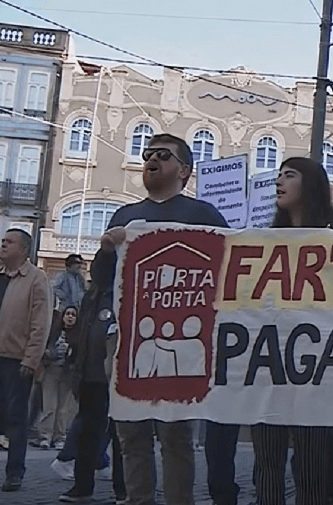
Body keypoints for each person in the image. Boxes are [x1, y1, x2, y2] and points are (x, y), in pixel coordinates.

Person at [98, 133, 229, 505]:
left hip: (186, 340)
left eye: (162, 155)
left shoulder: (203, 215)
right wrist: (108, 249)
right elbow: (102, 277)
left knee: (175, 434)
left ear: (184, 170)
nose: (151, 159)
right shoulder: (124, 216)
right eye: (147, 154)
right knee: (130, 431)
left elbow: (228, 266)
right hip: (126, 338)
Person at [248, 157, 333, 505]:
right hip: (268, 366)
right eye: (279, 175)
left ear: (311, 185)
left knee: (313, 467)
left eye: (290, 175)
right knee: (267, 464)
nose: (279, 181)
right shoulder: (260, 243)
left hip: (316, 370)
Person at [0, 228, 52, 491]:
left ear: (24, 249)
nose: (2, 245)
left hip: (14, 359)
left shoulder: (36, 279)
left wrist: (31, 358)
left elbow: (41, 322)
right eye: (2, 241)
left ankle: (14, 472)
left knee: (15, 418)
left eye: (8, 242)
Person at [60, 252, 126, 503]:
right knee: (87, 433)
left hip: (115, 378)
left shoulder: (122, 295)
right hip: (90, 376)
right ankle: (82, 486)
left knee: (121, 437)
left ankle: (123, 490)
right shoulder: (91, 297)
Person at [35, 305, 78, 449]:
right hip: (51, 369)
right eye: (68, 314)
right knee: (49, 405)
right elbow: (44, 346)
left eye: (73, 314)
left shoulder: (78, 336)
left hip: (67, 372)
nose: (70, 317)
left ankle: (59, 436)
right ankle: (45, 436)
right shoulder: (53, 332)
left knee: (62, 407)